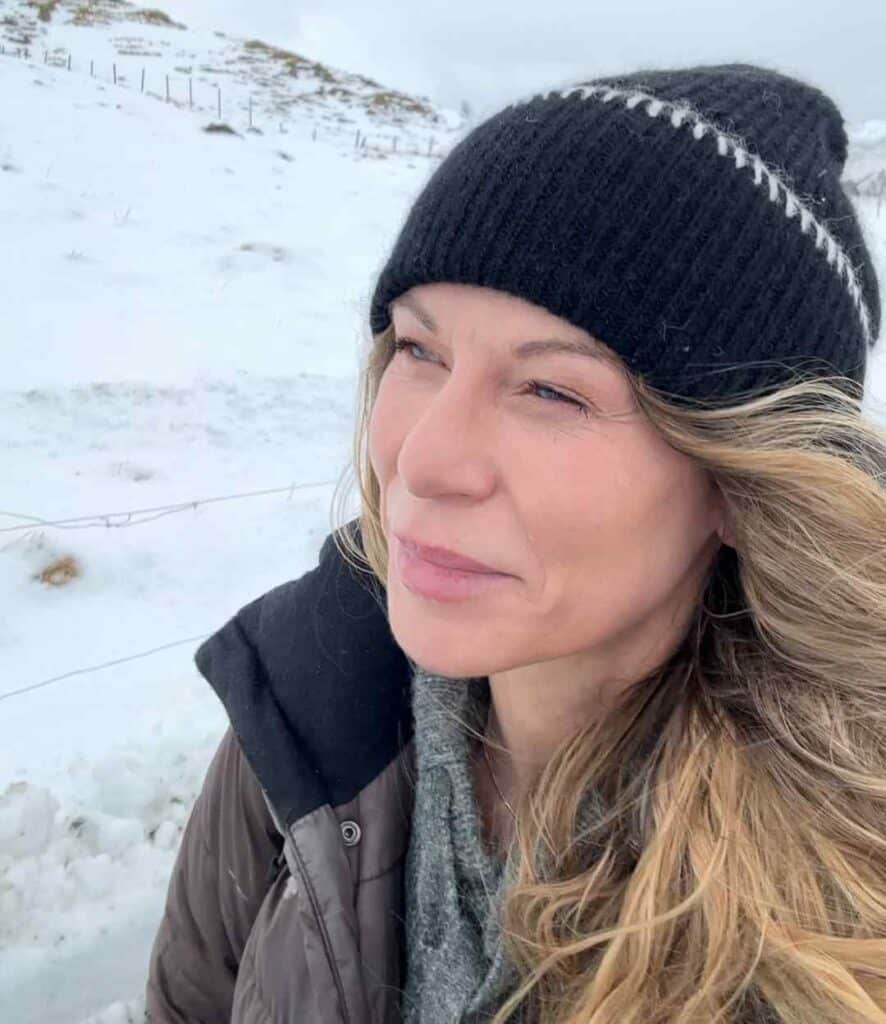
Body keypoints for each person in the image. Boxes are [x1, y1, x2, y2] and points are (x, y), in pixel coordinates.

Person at [145, 62, 886, 1024]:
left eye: (553, 390)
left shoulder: (842, 913)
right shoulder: (304, 715)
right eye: (420, 351)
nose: (424, 459)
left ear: (740, 487)